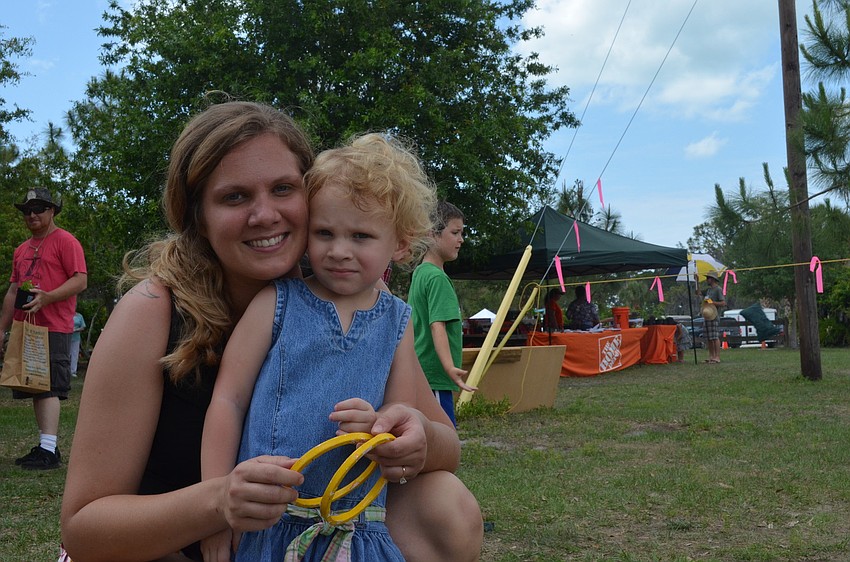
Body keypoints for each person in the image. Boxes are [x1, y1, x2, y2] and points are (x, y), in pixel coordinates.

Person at [60, 101, 482, 562]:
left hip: (307, 531)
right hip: (168, 550)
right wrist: (217, 504)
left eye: (283, 189)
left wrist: (416, 433)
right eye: (234, 197)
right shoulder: (153, 311)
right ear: (197, 215)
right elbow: (82, 530)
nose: (265, 215)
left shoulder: (350, 307)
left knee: (446, 504)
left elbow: (447, 446)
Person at [201, 133, 436, 561]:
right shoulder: (276, 302)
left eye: (361, 236)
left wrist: (381, 428)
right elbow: (228, 401)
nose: (339, 251)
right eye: (324, 232)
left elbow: (400, 417)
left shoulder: (397, 320)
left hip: (359, 528)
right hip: (269, 523)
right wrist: (215, 513)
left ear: (400, 244)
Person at [0, 187, 87, 470]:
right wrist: (1, 329)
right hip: (26, 328)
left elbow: (80, 280)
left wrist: (48, 297)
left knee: (49, 388)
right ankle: (46, 446)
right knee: (36, 387)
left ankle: (49, 451)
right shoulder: (21, 250)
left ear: (52, 211)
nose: (32, 214)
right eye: (27, 210)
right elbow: (13, 291)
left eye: (38, 208)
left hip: (54, 326)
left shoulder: (66, 241)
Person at [408, 201, 476, 428]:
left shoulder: (420, 272)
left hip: (422, 373)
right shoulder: (437, 278)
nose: (461, 239)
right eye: (455, 232)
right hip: (435, 377)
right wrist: (449, 368)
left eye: (462, 233)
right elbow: (438, 326)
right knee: (444, 436)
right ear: (432, 234)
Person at [696, 269, 726, 364]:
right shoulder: (708, 290)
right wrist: (696, 281)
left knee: (714, 337)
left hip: (714, 316)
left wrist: (713, 303)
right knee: (709, 337)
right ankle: (711, 356)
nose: (707, 280)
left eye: (708, 278)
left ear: (712, 279)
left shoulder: (718, 289)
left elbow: (723, 302)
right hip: (707, 316)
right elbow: (698, 292)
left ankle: (717, 356)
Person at [70, 311, 86, 376]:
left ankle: (73, 371)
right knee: (67, 354)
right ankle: (66, 370)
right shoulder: (67, 314)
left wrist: (76, 330)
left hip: (76, 338)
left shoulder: (79, 316)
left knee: (75, 354)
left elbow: (83, 327)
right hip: (67, 337)